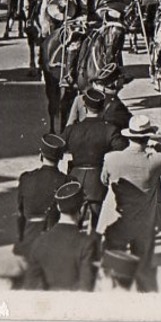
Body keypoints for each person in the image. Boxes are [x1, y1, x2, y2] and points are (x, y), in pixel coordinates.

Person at [100, 115, 161, 293]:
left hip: (117, 223)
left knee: (114, 272)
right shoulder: (155, 161)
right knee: (143, 269)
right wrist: (157, 145)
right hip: (144, 226)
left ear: (129, 136)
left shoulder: (111, 159)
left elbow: (104, 181)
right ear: (147, 137)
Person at [64, 88, 127, 231]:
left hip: (74, 177)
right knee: (95, 222)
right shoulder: (110, 130)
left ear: (84, 107)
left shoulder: (72, 130)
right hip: (97, 179)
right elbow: (121, 149)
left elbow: (59, 148)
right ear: (103, 107)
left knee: (73, 222)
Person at [22, 182, 101, 292]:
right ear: (82, 209)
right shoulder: (87, 243)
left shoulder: (40, 241)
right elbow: (86, 287)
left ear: (58, 207)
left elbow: (31, 285)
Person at [16, 133, 73, 245]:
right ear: (61, 158)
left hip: (29, 236)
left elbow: (20, 212)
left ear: (41, 155)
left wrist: (21, 238)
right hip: (54, 240)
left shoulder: (26, 178)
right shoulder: (66, 181)